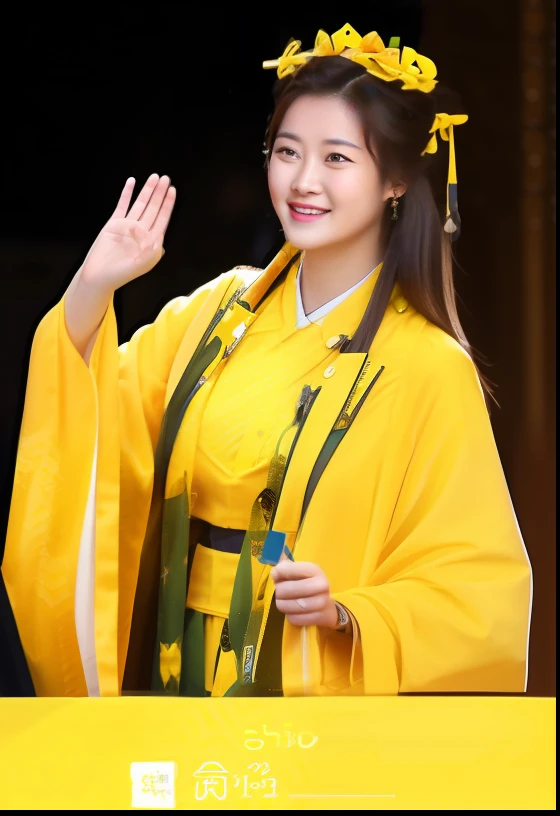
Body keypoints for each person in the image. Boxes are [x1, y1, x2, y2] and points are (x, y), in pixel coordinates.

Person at [2, 23, 532, 698]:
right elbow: (93, 429)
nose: (303, 181)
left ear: (396, 179)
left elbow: (479, 590)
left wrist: (351, 613)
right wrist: (92, 288)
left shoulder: (429, 367)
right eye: (287, 151)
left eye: (337, 158)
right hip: (175, 657)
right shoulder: (215, 314)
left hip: (306, 679)